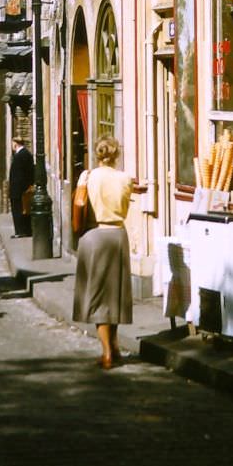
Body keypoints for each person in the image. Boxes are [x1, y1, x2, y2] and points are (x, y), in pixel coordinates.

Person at [73, 135, 143, 370]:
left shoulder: (88, 176)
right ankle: (113, 347)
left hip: (94, 235)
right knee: (115, 296)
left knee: (96, 296)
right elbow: (125, 205)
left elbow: (79, 205)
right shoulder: (124, 178)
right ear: (116, 155)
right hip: (117, 235)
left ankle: (106, 353)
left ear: (97, 154)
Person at [9, 136, 34, 238]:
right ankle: (23, 230)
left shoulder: (21, 155)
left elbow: (23, 173)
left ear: (15, 143)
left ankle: (20, 231)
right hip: (20, 188)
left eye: (12, 143)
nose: (12, 146)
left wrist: (21, 188)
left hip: (19, 189)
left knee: (19, 210)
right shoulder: (24, 154)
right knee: (22, 210)